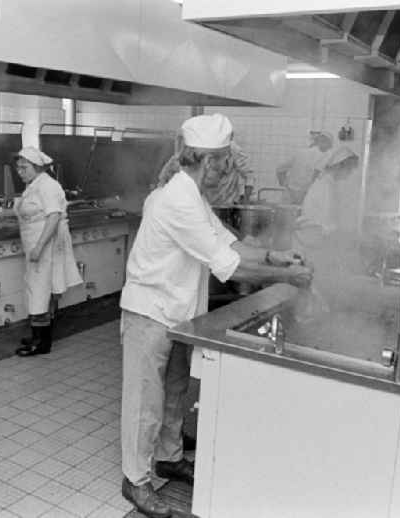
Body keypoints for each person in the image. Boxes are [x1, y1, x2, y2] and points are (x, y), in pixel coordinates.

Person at [119, 113, 313, 518]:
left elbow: (230, 243)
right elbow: (231, 267)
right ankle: (135, 480)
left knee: (174, 391)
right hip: (149, 314)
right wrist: (287, 275)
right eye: (224, 161)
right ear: (208, 161)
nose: (225, 170)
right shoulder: (176, 200)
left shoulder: (192, 197)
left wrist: (274, 255)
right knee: (145, 403)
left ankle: (169, 457)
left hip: (175, 313)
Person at [12, 147, 82, 357]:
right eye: (18, 168)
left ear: (37, 167)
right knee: (37, 289)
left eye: (24, 168)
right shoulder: (34, 185)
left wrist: (39, 247)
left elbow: (53, 217)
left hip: (45, 247)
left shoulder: (48, 186)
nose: (20, 172)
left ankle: (42, 343)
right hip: (36, 247)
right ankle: (37, 335)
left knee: (40, 290)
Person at [158, 139, 252, 205]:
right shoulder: (189, 152)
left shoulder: (232, 149)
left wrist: (245, 200)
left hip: (225, 205)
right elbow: (165, 175)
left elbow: (249, 175)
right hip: (202, 203)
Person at [275, 130, 335, 205]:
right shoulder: (326, 156)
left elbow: (279, 169)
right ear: (329, 144)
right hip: (307, 197)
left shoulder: (300, 152)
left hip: (290, 194)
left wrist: (283, 183)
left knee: (285, 215)